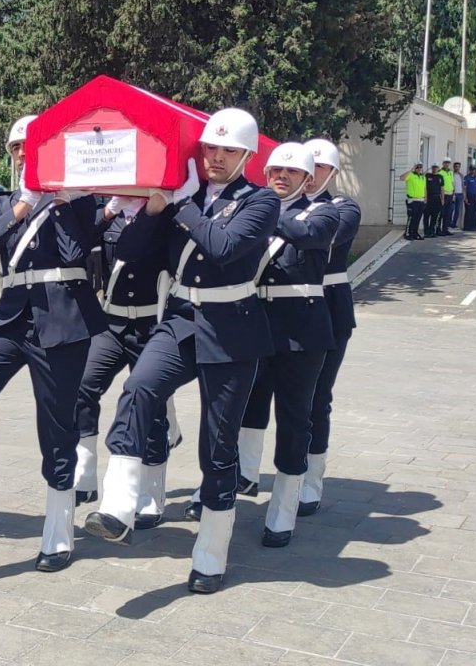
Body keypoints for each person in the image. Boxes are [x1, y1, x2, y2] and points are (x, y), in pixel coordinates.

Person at [83, 108, 279, 594]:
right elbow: (129, 250)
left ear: (246, 155)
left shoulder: (261, 201)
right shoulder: (180, 197)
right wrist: (155, 207)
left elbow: (224, 247)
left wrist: (185, 204)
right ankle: (119, 506)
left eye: (227, 150)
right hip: (180, 318)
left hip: (232, 327)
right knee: (140, 386)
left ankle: (211, 552)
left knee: (217, 447)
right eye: (209, 148)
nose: (214, 157)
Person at [0, 114, 105, 573]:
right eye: (15, 147)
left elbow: (76, 253)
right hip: (11, 316)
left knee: (56, 428)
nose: (20, 154)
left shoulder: (78, 202)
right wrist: (25, 206)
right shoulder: (1, 202)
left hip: (63, 320)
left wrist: (59, 202)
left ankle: (59, 529)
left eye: (29, 147)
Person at [209, 142, 338, 549]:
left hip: (302, 332)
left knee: (295, 417)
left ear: (307, 178)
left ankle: (284, 505)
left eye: (291, 173)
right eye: (274, 172)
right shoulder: (251, 208)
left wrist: (261, 213)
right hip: (254, 326)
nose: (281, 177)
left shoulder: (323, 213)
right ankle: (236, 481)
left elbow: (306, 234)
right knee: (240, 408)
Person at [72, 193, 180, 529]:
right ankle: (85, 471)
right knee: (83, 384)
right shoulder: (108, 213)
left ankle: (150, 494)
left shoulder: (168, 213)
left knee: (150, 405)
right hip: (112, 321)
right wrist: (107, 211)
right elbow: (77, 244)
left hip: (152, 321)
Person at [299, 138, 361, 516]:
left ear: (334, 173)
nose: (311, 175)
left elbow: (321, 237)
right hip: (284, 311)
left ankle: (311, 479)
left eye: (320, 168)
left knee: (317, 397)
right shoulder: (283, 205)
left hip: (328, 309)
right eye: (308, 166)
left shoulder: (343, 207)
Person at [403, 163, 426, 240]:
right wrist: (410, 170)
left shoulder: (423, 177)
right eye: (417, 167)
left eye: (420, 167)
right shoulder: (411, 175)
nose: (419, 169)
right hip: (412, 200)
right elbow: (402, 178)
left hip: (421, 200)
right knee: (411, 217)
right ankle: (408, 233)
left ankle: (415, 233)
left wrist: (425, 198)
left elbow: (424, 188)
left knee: (418, 218)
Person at [424, 165, 443, 237]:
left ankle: (432, 231)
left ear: (438, 169)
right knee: (426, 215)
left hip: (437, 198)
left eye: (436, 168)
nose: (435, 169)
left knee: (434, 216)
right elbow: (422, 177)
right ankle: (426, 231)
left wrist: (442, 199)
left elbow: (442, 188)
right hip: (428, 198)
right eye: (433, 168)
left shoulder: (440, 177)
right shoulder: (427, 175)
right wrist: (427, 169)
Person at [436, 159, 454, 235]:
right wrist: (441, 195)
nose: (447, 164)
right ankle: (438, 229)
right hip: (443, 194)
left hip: (450, 194)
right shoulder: (440, 172)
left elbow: (452, 183)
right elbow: (439, 185)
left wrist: (453, 193)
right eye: (445, 163)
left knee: (448, 213)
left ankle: (445, 229)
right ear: (443, 163)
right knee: (441, 213)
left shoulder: (450, 172)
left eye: (448, 163)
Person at [462, 167, 476, 231]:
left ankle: (473, 226)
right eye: (472, 170)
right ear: (469, 170)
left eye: (474, 170)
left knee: (474, 212)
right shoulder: (467, 177)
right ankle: (467, 226)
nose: (473, 171)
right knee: (469, 212)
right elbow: (464, 188)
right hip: (469, 196)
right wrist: (465, 197)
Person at [450, 162, 464, 231]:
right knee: (451, 209)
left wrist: (464, 194)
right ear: (454, 167)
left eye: (458, 166)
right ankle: (449, 223)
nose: (457, 168)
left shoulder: (461, 175)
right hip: (453, 193)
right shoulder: (451, 174)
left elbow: (463, 186)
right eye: (456, 166)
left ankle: (454, 223)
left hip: (460, 194)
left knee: (457, 210)